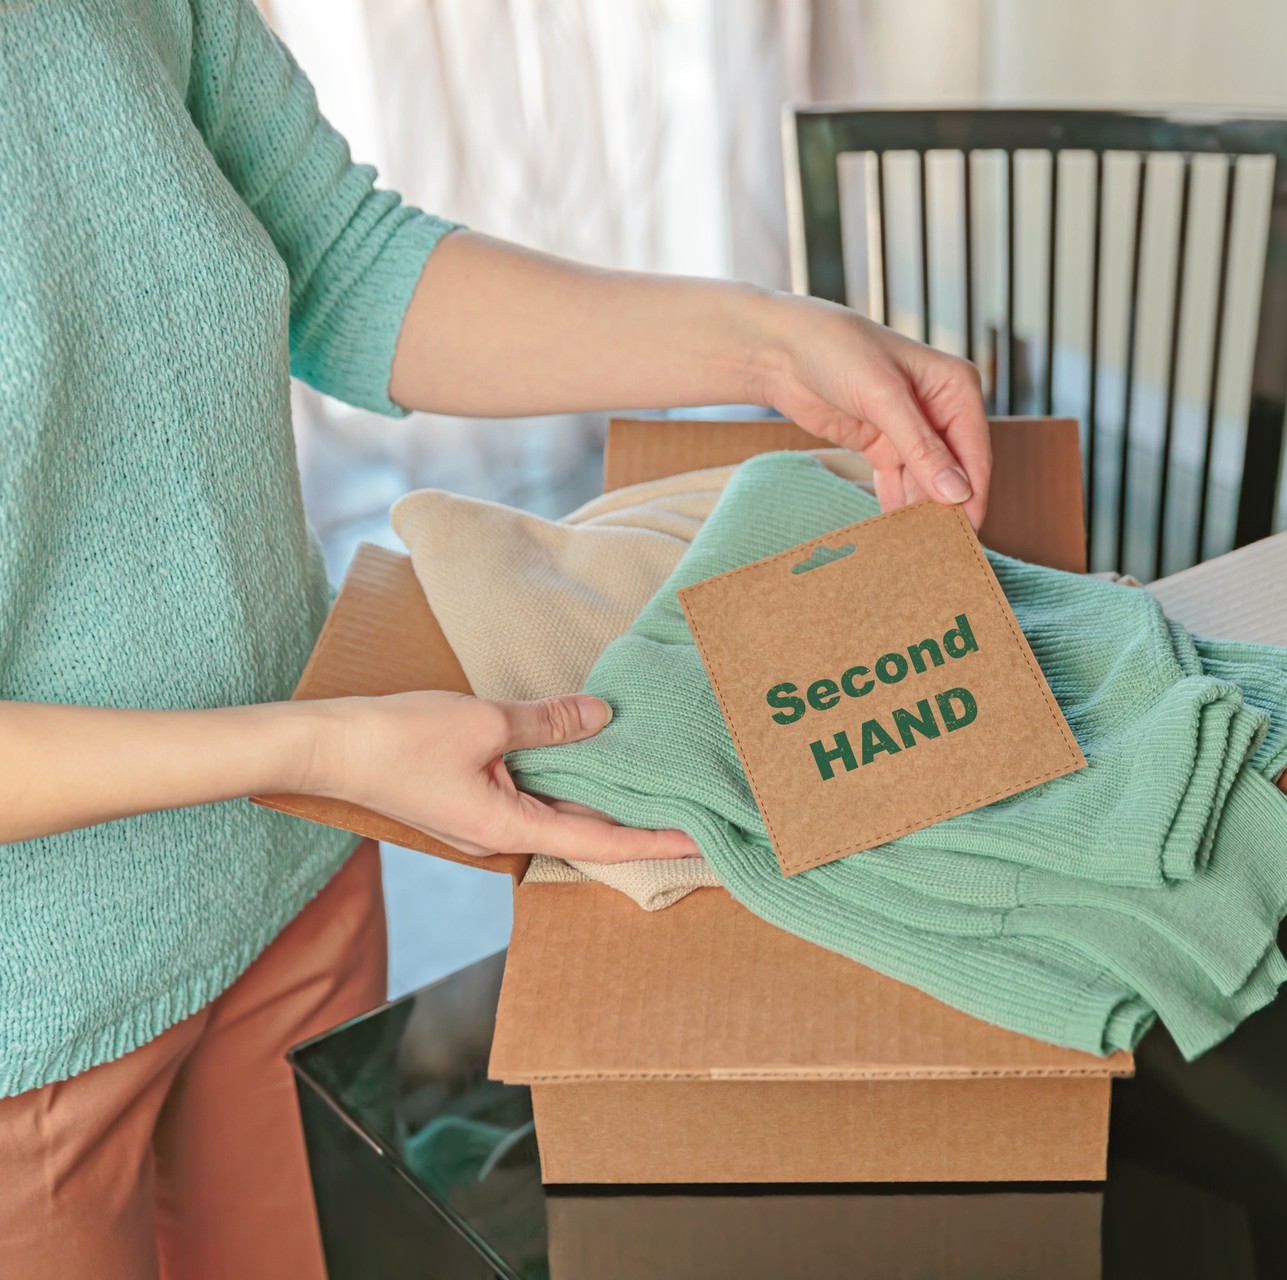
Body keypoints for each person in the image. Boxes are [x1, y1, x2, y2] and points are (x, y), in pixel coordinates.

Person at [0, 4, 990, 1277]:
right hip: (34, 1030)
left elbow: (344, 263)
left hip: (295, 887)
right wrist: (320, 741)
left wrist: (769, 336)